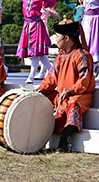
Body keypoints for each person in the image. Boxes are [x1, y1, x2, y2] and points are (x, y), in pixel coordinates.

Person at [38, 20, 95, 153]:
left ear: (66, 38)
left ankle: (64, 142)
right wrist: (40, 90)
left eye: (57, 36)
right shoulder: (61, 55)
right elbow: (51, 78)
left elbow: (84, 81)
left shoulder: (82, 55)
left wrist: (69, 91)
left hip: (79, 95)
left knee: (73, 104)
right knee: (42, 98)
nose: (56, 39)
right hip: (62, 96)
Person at [3, 0, 57, 84]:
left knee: (37, 53)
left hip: (36, 24)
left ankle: (31, 77)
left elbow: (52, 1)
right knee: (39, 54)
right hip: (27, 24)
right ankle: (53, 72)